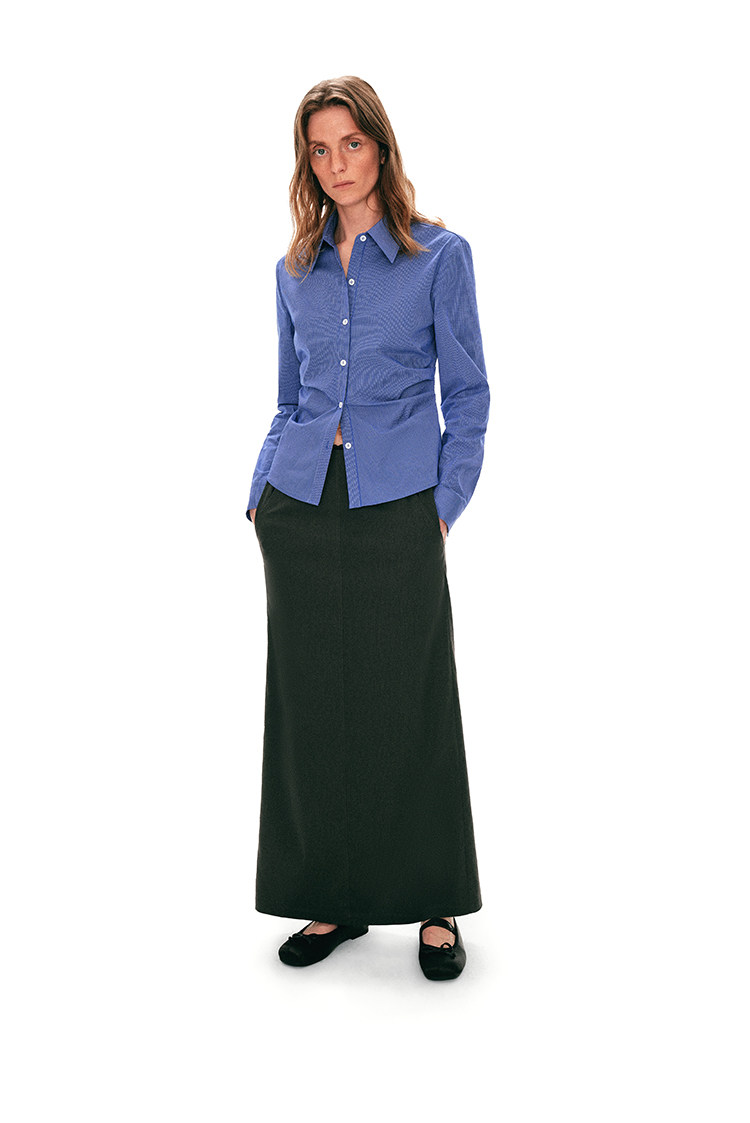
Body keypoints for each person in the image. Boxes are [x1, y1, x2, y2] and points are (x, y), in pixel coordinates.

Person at [246, 75, 490, 981]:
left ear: (381, 148)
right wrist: (260, 497)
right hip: (302, 504)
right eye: (319, 149)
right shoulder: (294, 270)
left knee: (410, 697)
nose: (336, 163)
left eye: (351, 143)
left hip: (399, 502)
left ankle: (433, 901)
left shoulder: (439, 256)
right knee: (313, 705)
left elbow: (468, 393)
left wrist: (443, 505)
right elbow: (288, 399)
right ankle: (335, 896)